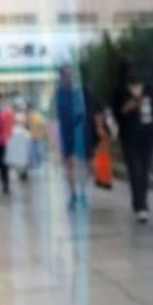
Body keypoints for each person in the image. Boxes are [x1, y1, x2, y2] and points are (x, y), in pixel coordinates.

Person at [113, 60, 153, 223]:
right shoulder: (120, 91)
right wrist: (128, 107)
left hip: (147, 134)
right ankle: (140, 204)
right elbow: (116, 113)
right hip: (129, 136)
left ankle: (142, 201)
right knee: (134, 169)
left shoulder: (149, 89)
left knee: (145, 170)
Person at [54, 65, 97, 209]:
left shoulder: (83, 91)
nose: (68, 77)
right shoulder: (60, 94)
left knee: (89, 165)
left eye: (70, 74)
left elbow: (93, 110)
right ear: (62, 77)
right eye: (65, 75)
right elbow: (60, 116)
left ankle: (83, 191)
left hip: (84, 133)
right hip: (69, 134)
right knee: (70, 165)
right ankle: (73, 195)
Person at [26, 102, 47, 170]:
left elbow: (42, 126)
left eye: (29, 108)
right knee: (32, 154)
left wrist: (42, 134)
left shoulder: (37, 116)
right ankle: (33, 167)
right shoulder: (28, 116)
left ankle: (37, 167)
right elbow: (27, 126)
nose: (29, 110)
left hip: (38, 138)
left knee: (38, 153)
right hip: (32, 138)